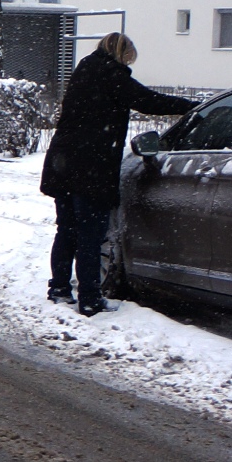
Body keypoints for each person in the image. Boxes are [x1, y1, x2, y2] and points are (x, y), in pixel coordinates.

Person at [40, 32, 200, 316]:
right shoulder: (112, 74)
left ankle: (60, 289)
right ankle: (89, 298)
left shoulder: (84, 71)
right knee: (91, 235)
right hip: (92, 168)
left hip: (63, 165)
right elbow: (148, 101)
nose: (129, 63)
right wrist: (192, 108)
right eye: (129, 58)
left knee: (67, 230)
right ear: (122, 54)